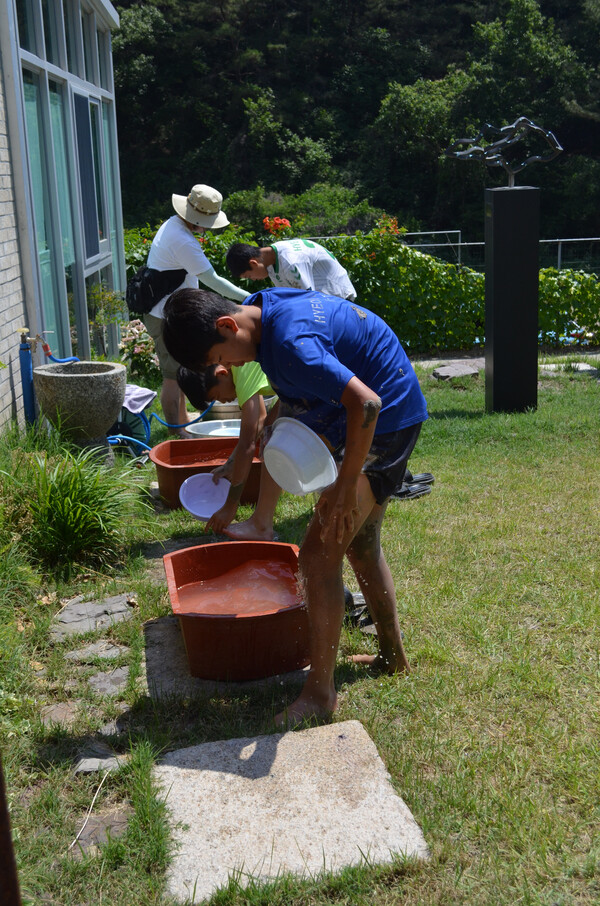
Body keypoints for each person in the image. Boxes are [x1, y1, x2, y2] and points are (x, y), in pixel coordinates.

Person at [162, 285, 428, 728]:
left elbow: (367, 403)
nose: (229, 370)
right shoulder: (262, 306)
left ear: (227, 325)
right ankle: (392, 657)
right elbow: (315, 378)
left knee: (318, 559)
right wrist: (282, 415)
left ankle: (321, 694)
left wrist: (345, 485)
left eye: (219, 359)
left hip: (385, 418)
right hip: (367, 408)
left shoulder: (289, 344)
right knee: (360, 545)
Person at [144, 184, 250, 437]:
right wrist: (249, 298)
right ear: (196, 219)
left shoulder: (173, 224)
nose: (206, 228)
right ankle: (176, 432)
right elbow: (213, 280)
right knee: (172, 375)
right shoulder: (182, 241)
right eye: (206, 222)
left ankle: (182, 420)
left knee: (181, 367)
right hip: (164, 315)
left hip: (167, 310)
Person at [177, 364, 281, 537]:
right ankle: (262, 522)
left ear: (221, 373)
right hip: (298, 387)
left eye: (217, 396)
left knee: (274, 441)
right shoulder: (238, 367)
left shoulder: (242, 369)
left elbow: (248, 443)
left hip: (316, 382)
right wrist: (232, 463)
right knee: (271, 431)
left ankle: (262, 525)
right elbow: (262, 420)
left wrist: (230, 506)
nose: (223, 401)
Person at [226, 239, 357, 301]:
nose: (254, 279)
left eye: (249, 276)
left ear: (253, 263)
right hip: (326, 301)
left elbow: (309, 301)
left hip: (339, 299)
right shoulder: (270, 262)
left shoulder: (291, 261)